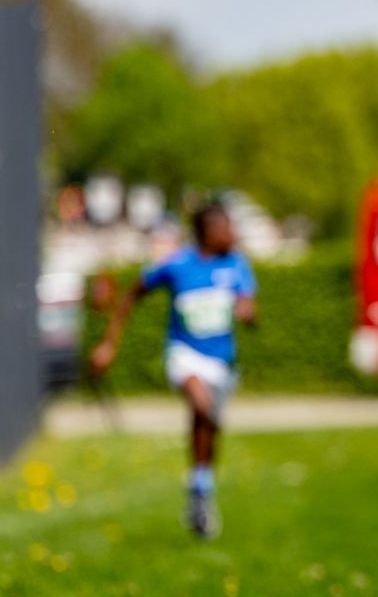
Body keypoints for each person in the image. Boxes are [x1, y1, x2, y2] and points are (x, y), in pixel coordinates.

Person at [89, 202, 257, 538]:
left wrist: (247, 312)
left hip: (221, 363)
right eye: (225, 227)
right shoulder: (176, 265)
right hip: (184, 356)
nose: (232, 234)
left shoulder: (237, 265)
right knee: (201, 406)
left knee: (207, 426)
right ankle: (200, 489)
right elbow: (132, 295)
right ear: (206, 232)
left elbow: (251, 310)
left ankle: (200, 490)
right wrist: (109, 343)